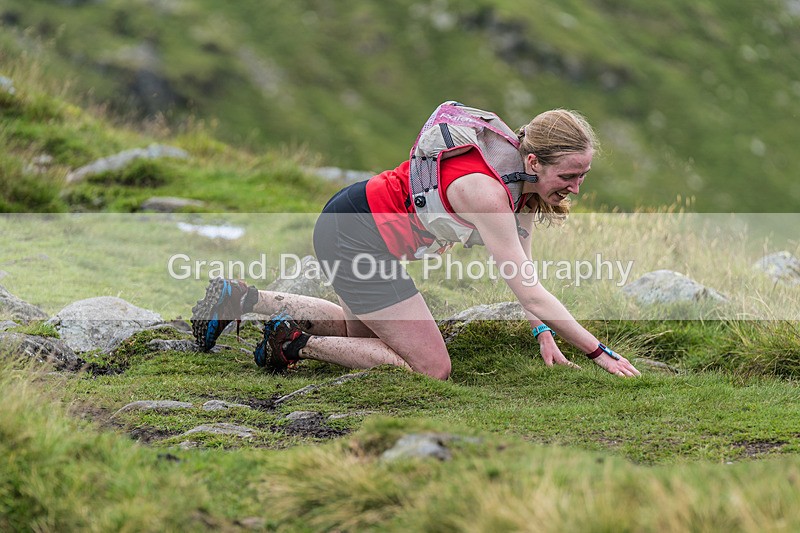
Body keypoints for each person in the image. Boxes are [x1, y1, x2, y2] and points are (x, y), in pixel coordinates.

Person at [191, 103, 640, 379]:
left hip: (351, 220)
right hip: (356, 235)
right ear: (533, 160)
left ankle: (241, 299)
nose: (576, 187)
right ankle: (290, 342)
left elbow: (525, 272)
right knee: (432, 368)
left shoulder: (519, 183)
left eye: (583, 175)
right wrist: (597, 351)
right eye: (569, 175)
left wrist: (544, 333)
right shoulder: (487, 191)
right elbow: (529, 291)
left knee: (357, 336)